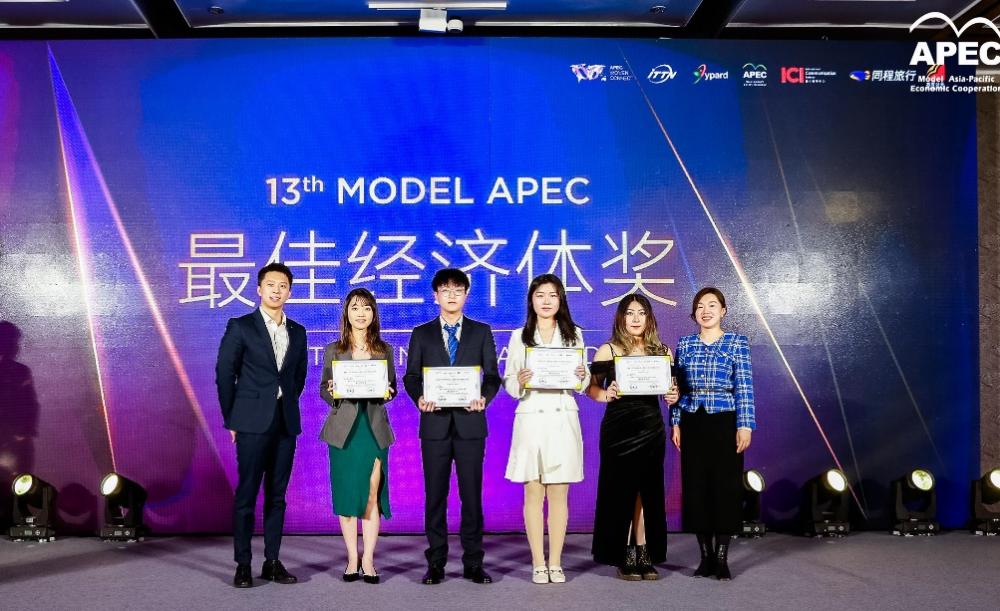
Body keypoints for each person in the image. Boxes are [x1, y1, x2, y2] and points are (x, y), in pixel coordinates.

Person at [403, 268, 501, 585]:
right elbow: (411, 376)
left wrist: (484, 398)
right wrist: (419, 397)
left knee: (471, 496)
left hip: (471, 425)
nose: (451, 295)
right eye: (445, 290)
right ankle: (436, 562)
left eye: (458, 290)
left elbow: (492, 376)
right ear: (436, 296)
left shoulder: (481, 331)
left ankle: (473, 562)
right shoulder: (422, 333)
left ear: (466, 295)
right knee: (435, 496)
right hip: (434, 425)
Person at [216, 262, 308, 588]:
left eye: (283, 286)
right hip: (251, 423)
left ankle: (272, 561)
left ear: (289, 292)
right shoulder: (241, 326)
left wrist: (285, 403)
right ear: (259, 289)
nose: (276, 290)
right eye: (271, 285)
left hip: (285, 422)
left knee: (277, 496)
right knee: (247, 494)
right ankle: (243, 564)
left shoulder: (298, 331)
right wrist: (232, 418)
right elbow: (224, 374)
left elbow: (298, 377)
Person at [503, 274, 588, 585]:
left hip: (562, 418)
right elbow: (509, 380)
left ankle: (556, 562)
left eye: (552, 295)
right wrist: (519, 381)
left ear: (560, 299)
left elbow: (581, 381)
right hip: (532, 418)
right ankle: (538, 562)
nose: (547, 301)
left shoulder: (574, 335)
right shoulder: (519, 337)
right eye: (540, 295)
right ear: (531, 300)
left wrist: (581, 376)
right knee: (533, 492)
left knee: (559, 494)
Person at [587, 294, 678, 581]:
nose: (636, 318)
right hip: (618, 430)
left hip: (651, 429)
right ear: (621, 318)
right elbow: (591, 388)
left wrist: (673, 395)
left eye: (641, 313)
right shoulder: (608, 350)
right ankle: (624, 552)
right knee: (621, 491)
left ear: (649, 318)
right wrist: (607, 394)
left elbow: (671, 390)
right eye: (630, 313)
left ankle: (644, 550)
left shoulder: (663, 351)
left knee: (647, 491)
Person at [671, 287, 755, 581]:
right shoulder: (685, 344)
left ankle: (721, 557)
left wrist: (745, 425)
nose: (705, 311)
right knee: (696, 488)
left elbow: (744, 385)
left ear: (723, 311)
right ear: (694, 313)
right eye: (699, 306)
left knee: (725, 488)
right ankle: (705, 556)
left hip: (725, 420)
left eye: (711, 305)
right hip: (692, 419)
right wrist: (675, 421)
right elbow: (676, 387)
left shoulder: (737, 342)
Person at [319, 288, 397, 585]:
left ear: (373, 313)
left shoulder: (384, 349)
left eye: (366, 308)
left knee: (371, 495)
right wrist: (332, 392)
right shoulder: (333, 349)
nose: (361, 313)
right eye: (355, 307)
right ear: (346, 313)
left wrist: (388, 392)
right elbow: (323, 388)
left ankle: (369, 560)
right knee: (347, 494)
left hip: (373, 430)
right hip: (343, 432)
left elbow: (392, 387)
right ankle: (352, 558)